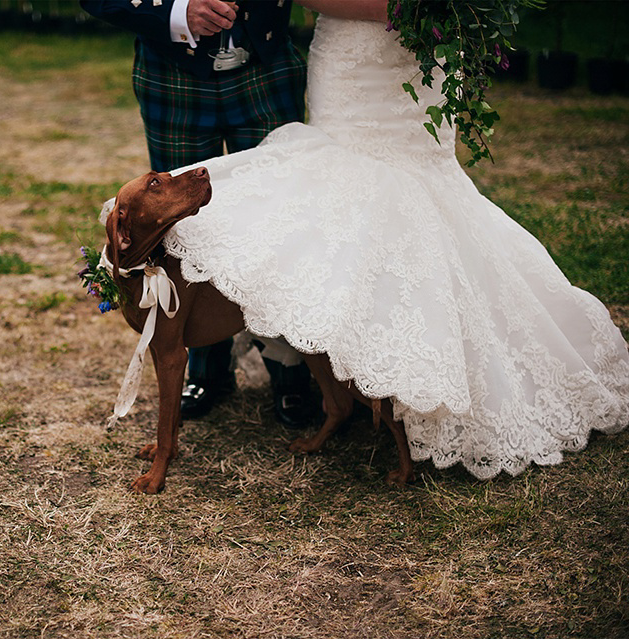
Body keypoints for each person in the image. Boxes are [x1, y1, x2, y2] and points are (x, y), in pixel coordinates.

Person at [158, 0, 629, 479]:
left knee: (428, 194)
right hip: (354, 61)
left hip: (428, 58)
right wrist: (406, 7)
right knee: (345, 201)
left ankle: (427, 373)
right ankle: (359, 364)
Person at [80, 0, 316, 427]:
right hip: (173, 76)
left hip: (267, 66)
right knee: (181, 230)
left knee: (280, 218)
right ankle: (206, 371)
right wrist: (176, 11)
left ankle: (292, 370)